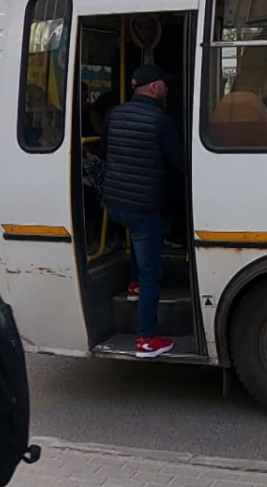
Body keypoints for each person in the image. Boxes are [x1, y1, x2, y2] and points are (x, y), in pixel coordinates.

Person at [98, 65, 184, 359]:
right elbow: (178, 164)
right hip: (144, 207)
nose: (168, 90)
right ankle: (146, 339)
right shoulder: (162, 121)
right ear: (153, 88)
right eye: (165, 85)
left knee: (139, 240)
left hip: (115, 204)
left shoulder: (114, 114)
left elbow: (105, 150)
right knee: (152, 272)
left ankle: (132, 285)